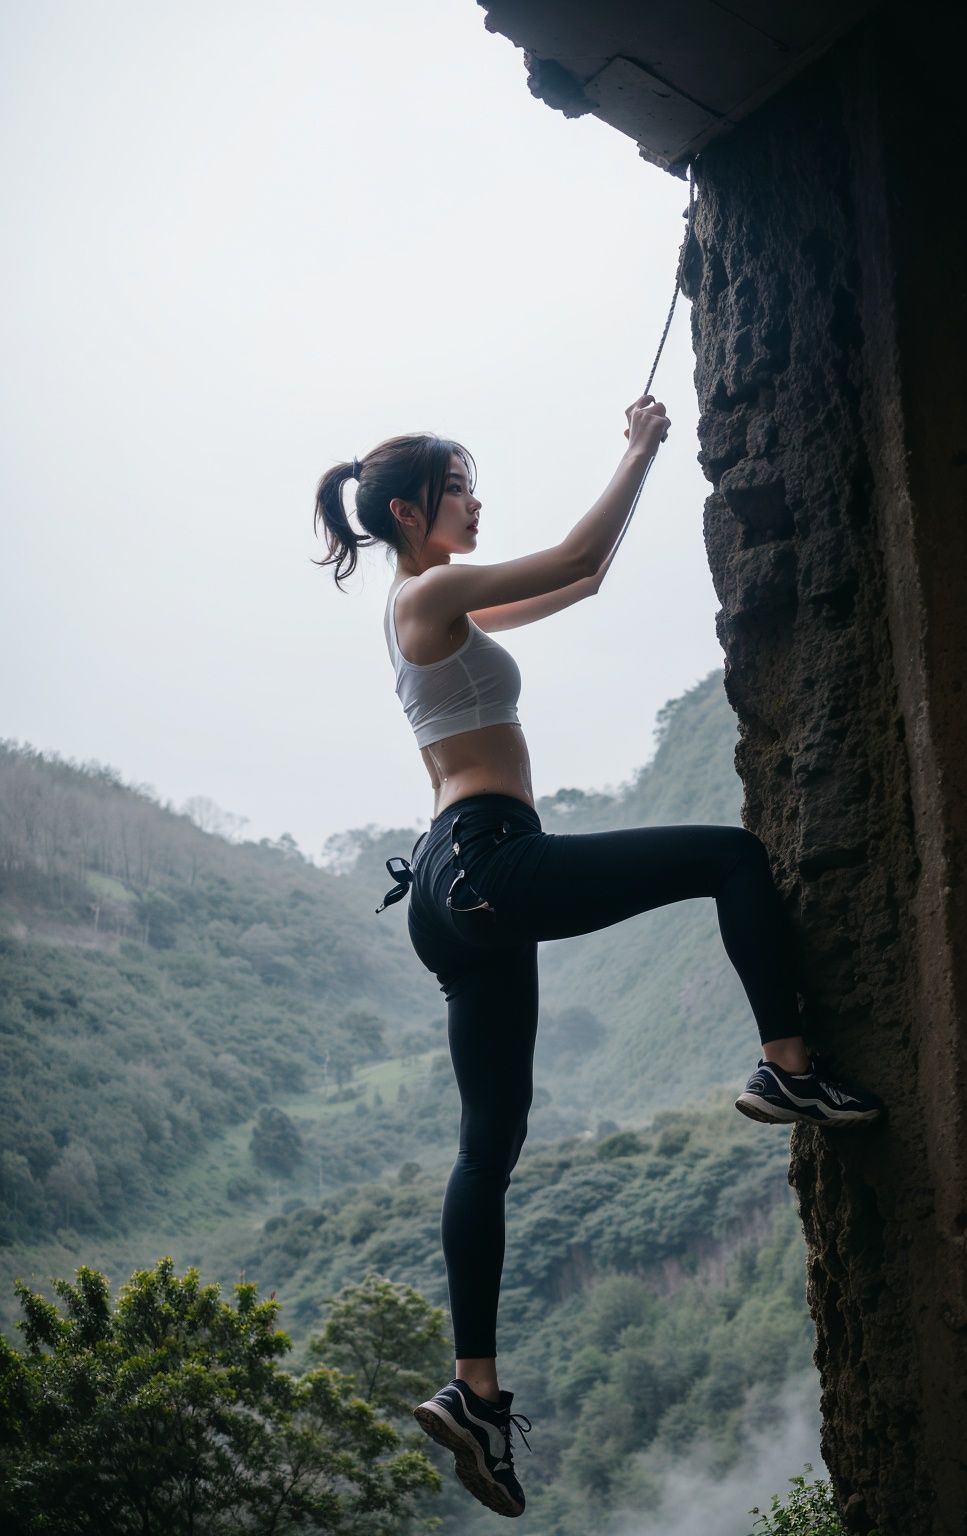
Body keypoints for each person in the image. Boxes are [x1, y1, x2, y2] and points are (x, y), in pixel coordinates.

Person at [311, 397, 883, 1519]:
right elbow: (573, 552)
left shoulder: (421, 606)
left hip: (448, 891)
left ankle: (473, 1393)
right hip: (488, 856)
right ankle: (787, 1066)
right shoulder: (428, 591)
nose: (475, 501)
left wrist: (641, 471)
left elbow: (582, 582)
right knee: (727, 856)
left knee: (489, 1149)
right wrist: (639, 447)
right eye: (460, 487)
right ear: (410, 511)